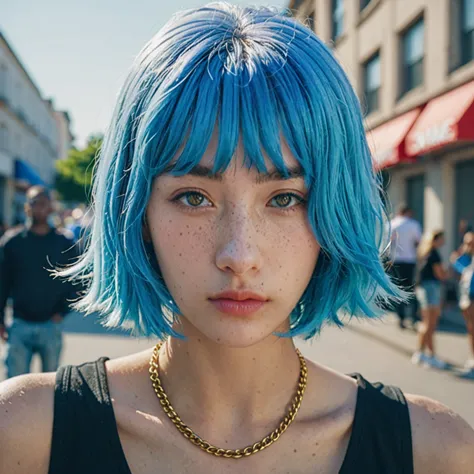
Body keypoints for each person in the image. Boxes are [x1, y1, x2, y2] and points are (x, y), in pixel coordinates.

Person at [0, 4, 473, 473]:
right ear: (136, 211)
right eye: (192, 197)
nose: (239, 255)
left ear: (336, 210)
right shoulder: (25, 436)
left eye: (285, 199)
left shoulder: (435, 452)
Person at [0, 185, 78, 378]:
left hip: (51, 324)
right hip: (19, 324)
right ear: (27, 207)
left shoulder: (64, 242)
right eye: (35, 203)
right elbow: (2, 282)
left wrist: (63, 311)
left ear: (51, 207)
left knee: (49, 388)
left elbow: (76, 281)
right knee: (15, 388)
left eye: (44, 203)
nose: (39, 208)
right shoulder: (13, 242)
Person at [412, 230, 449, 369]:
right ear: (436, 239)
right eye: (442, 239)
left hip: (423, 288)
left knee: (425, 323)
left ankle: (420, 353)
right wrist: (449, 269)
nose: (443, 241)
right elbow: (441, 275)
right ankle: (431, 355)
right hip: (431, 288)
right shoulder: (434, 254)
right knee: (431, 324)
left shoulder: (425, 252)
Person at [389, 205, 422, 328]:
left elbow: (386, 243)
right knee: (411, 288)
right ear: (407, 212)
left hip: (396, 260)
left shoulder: (391, 224)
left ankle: (401, 317)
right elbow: (418, 242)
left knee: (398, 288)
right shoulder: (413, 224)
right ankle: (413, 316)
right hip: (409, 260)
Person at [451, 231, 474, 379]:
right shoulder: (467, 259)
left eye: (470, 242)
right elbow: (457, 265)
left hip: (472, 296)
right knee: (471, 329)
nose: (467, 245)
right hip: (467, 296)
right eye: (466, 242)